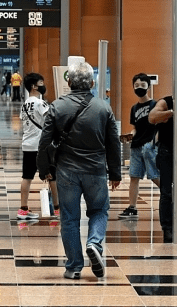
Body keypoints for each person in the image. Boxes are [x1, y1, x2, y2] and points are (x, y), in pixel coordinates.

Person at [37, 62, 121, 280]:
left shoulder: (57, 106)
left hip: (66, 171)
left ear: (69, 82)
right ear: (92, 83)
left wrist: (44, 169)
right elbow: (113, 143)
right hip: (96, 169)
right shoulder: (103, 108)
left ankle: (74, 266)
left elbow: (44, 142)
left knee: (69, 218)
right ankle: (94, 243)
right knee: (99, 211)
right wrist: (115, 173)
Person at [119, 73, 160, 220]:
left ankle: (171, 196)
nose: (139, 88)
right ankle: (132, 207)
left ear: (148, 86)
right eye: (136, 85)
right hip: (136, 146)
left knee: (154, 175)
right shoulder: (134, 108)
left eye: (142, 85)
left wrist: (153, 143)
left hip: (149, 146)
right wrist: (130, 135)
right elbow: (135, 127)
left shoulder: (155, 105)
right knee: (134, 176)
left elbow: (159, 127)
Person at [19, 72, 59, 219]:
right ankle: (57, 209)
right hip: (42, 146)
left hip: (27, 145)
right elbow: (51, 120)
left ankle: (23, 209)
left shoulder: (24, 105)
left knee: (27, 177)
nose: (43, 86)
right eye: (41, 83)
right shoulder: (40, 103)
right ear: (34, 86)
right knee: (52, 176)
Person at [149, 93, 175, 243]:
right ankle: (167, 227)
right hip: (166, 150)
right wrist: (172, 112)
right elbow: (152, 117)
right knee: (166, 191)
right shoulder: (167, 102)